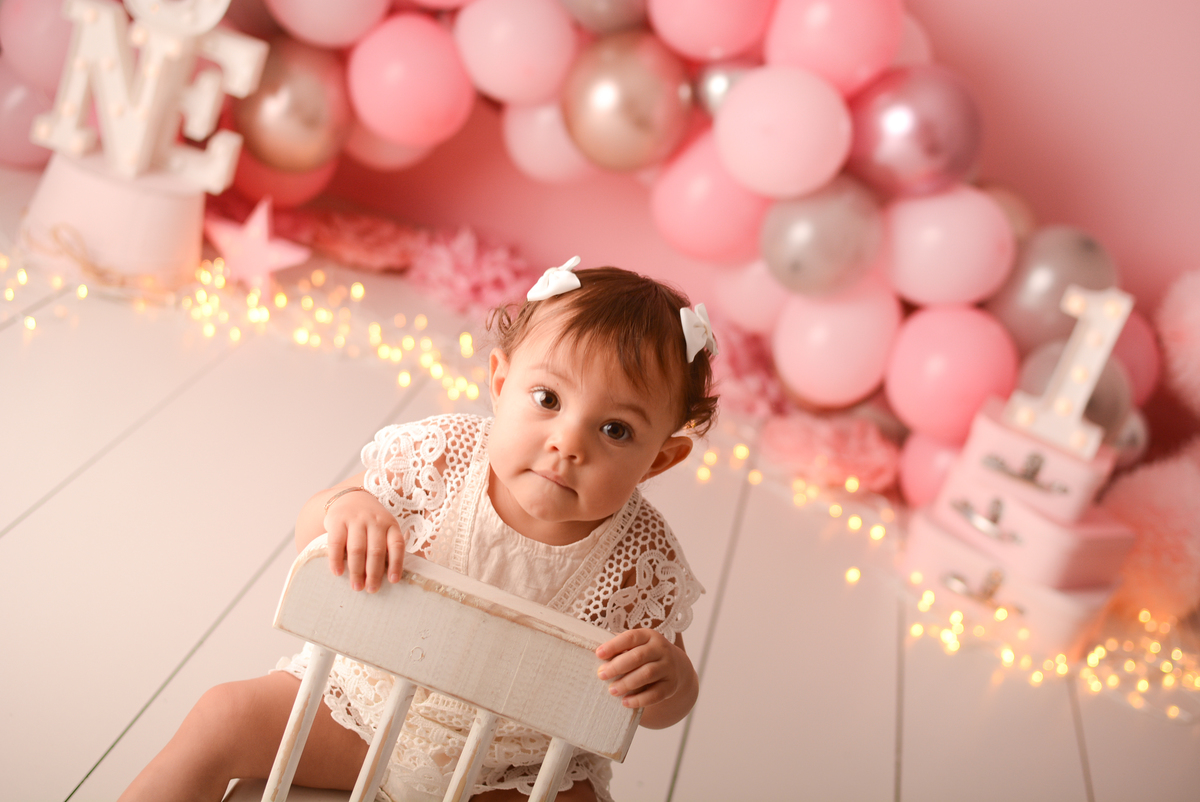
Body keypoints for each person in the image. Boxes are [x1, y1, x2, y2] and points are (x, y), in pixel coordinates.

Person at [119, 258, 719, 802]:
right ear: (501, 382)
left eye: (615, 430)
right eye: (547, 398)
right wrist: (346, 507)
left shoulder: (642, 558)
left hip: (515, 767)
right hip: (362, 708)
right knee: (223, 715)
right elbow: (311, 539)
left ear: (660, 459)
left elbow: (660, 711)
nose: (568, 443)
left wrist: (669, 681)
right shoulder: (440, 458)